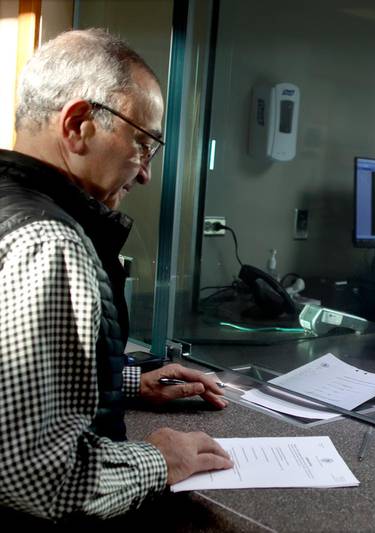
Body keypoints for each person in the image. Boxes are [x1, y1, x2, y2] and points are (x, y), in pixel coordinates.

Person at [0, 29, 233, 522]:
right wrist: (161, 460)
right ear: (79, 124)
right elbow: (36, 479)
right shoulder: (50, 243)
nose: (146, 172)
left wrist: (122, 381)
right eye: (143, 143)